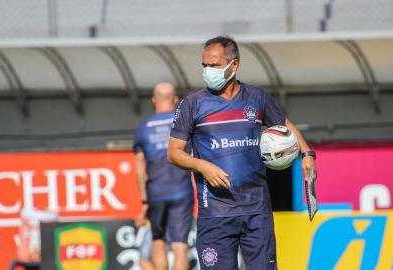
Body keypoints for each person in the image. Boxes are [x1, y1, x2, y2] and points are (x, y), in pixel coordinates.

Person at [167, 36, 317, 270]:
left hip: (257, 210)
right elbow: (174, 153)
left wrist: (306, 154)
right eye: (204, 65)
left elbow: (283, 124)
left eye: (214, 66)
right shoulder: (192, 104)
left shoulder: (257, 97)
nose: (208, 71)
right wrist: (202, 166)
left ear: (234, 65)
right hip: (215, 213)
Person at [134, 82, 194, 270]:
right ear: (175, 100)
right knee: (180, 246)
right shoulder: (183, 123)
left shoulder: (143, 128)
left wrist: (144, 201)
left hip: (156, 193)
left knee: (158, 241)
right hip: (181, 191)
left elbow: (139, 169)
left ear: (153, 100)